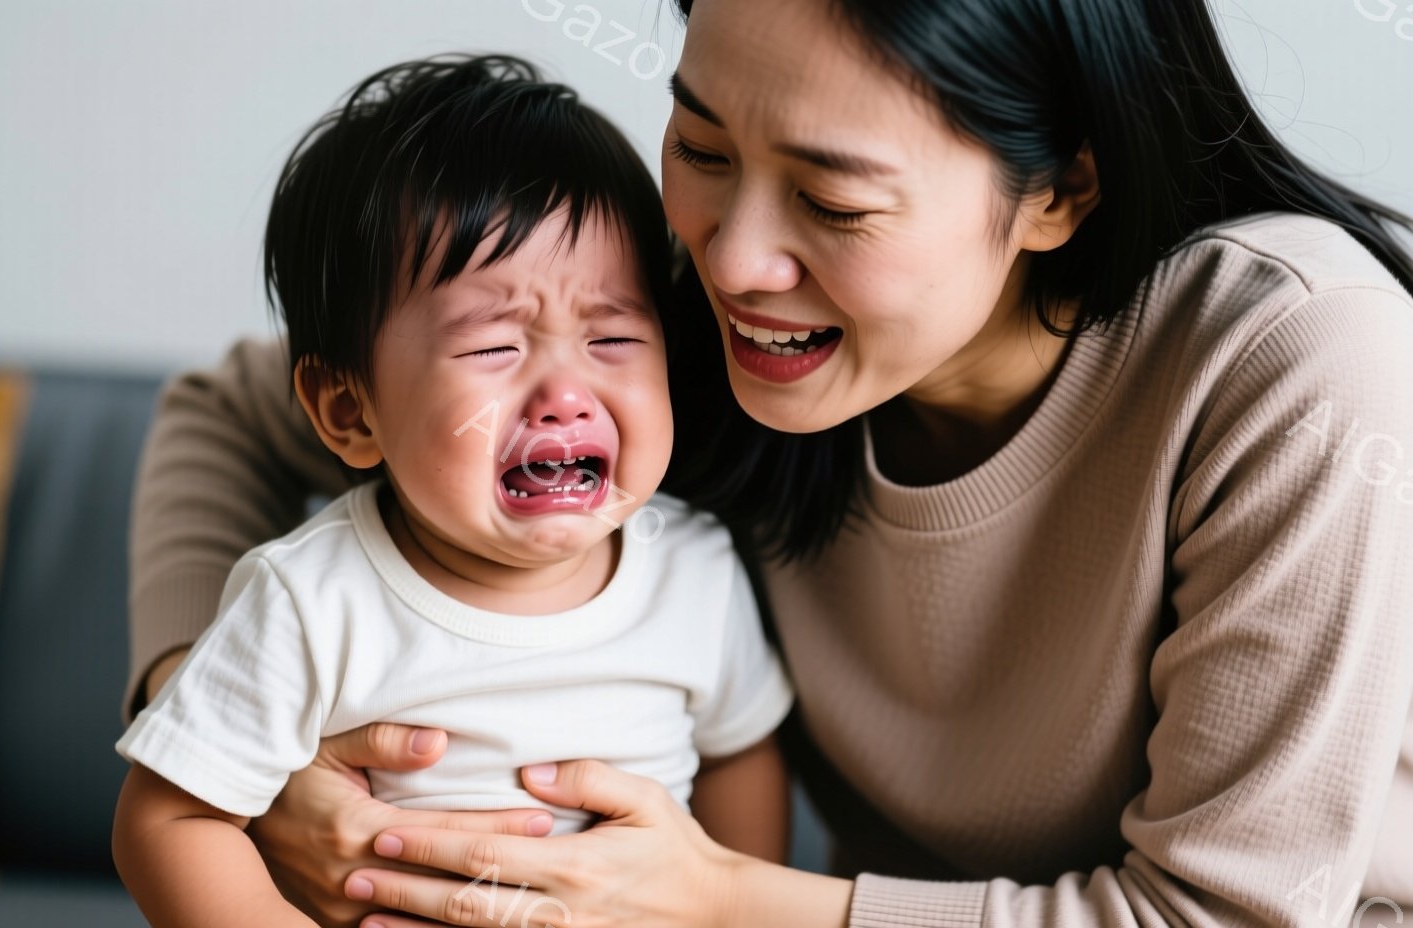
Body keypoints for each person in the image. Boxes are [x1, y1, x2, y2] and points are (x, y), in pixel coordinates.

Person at [123, 0, 1413, 925]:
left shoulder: (1296, 357)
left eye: (833, 202)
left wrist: (725, 904)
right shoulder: (648, 336)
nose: (733, 260)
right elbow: (229, 411)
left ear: (1058, 190)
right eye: (700, 146)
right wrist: (221, 736)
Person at [109, 55, 795, 928]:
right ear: (350, 409)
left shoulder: (692, 569)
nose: (565, 395)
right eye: (493, 348)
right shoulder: (309, 599)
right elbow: (167, 819)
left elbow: (740, 756)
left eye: (612, 337)